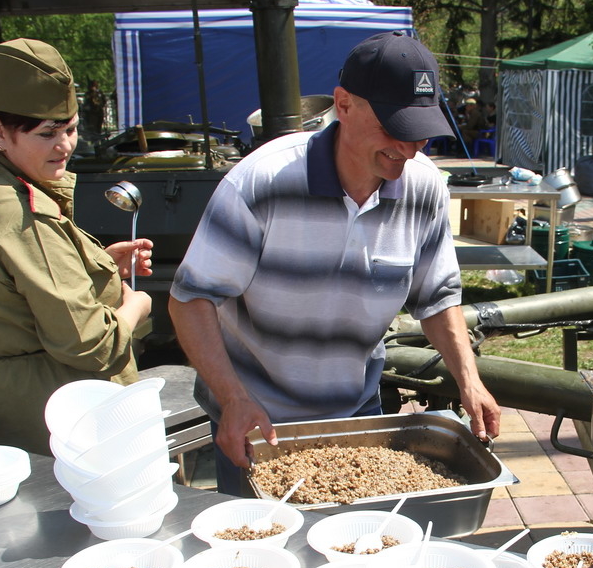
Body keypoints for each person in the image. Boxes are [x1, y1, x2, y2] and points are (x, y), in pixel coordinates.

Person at [170, 30, 502, 495]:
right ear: (343, 105)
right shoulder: (262, 182)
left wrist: (470, 380)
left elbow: (437, 296)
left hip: (355, 416)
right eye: (393, 128)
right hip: (255, 419)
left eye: (419, 133)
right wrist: (233, 399)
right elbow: (192, 299)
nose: (407, 149)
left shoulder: (425, 188)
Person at [0, 39, 154, 454]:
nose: (65, 145)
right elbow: (92, 345)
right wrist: (137, 305)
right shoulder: (19, 214)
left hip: (17, 397)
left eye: (71, 129)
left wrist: (95, 265)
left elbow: (10, 288)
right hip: (57, 411)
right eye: (47, 133)